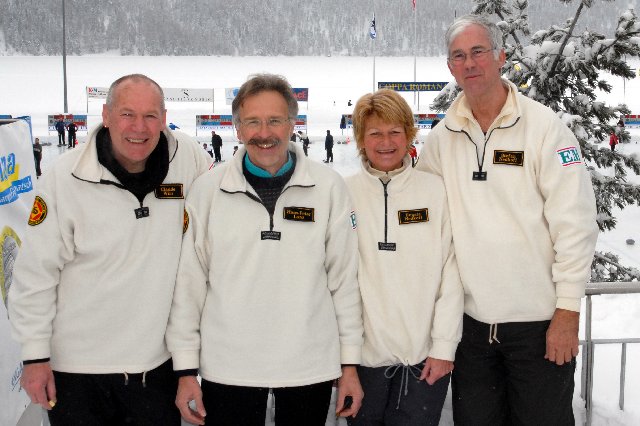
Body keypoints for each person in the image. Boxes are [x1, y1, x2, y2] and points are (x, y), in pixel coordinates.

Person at [416, 14, 599, 425]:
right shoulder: (442, 139)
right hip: (472, 332)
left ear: (501, 57)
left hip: (539, 328)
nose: (469, 63)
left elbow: (575, 224)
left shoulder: (544, 128)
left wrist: (568, 310)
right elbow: (428, 226)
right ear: (450, 67)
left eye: (478, 51)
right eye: (459, 56)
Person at [9, 73, 212, 426]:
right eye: (127, 114)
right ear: (106, 115)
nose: (139, 127)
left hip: (154, 368)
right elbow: (35, 274)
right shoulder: (65, 177)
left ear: (164, 119)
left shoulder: (187, 158)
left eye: (150, 116)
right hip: (76, 371)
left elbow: (219, 208)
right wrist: (34, 356)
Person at [166, 73, 364, 426]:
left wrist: (349, 364)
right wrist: (185, 369)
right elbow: (189, 285)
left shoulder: (328, 187)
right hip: (229, 368)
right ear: (238, 128)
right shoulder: (208, 191)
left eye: (275, 120)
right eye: (252, 121)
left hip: (308, 366)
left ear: (292, 124)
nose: (264, 133)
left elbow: (344, 282)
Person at [346, 89, 463, 426]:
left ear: (409, 134)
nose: (386, 142)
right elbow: (336, 281)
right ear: (360, 139)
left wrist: (443, 348)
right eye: (375, 133)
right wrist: (345, 361)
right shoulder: (343, 194)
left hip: (424, 363)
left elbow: (452, 273)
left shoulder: (434, 191)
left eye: (395, 131)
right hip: (364, 363)